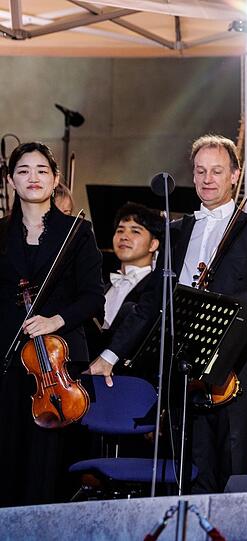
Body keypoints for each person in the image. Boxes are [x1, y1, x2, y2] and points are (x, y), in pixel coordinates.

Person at [87, 134, 247, 494]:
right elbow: (151, 302)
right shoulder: (176, 233)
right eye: (200, 171)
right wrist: (109, 355)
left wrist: (222, 305)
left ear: (235, 175)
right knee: (190, 466)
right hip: (184, 363)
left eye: (217, 171)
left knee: (232, 461)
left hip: (234, 363)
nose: (207, 179)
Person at [0, 142, 105, 506]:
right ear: (11, 180)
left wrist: (54, 320)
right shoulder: (1, 233)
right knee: (7, 455)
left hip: (57, 364)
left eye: (42, 170)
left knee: (50, 461)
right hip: (10, 360)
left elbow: (94, 296)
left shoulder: (78, 232)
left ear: (55, 178)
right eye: (24, 170)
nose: (33, 178)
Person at [86, 203, 162, 362]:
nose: (124, 236)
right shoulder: (103, 285)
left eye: (135, 231)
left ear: (153, 244)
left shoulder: (157, 290)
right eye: (120, 230)